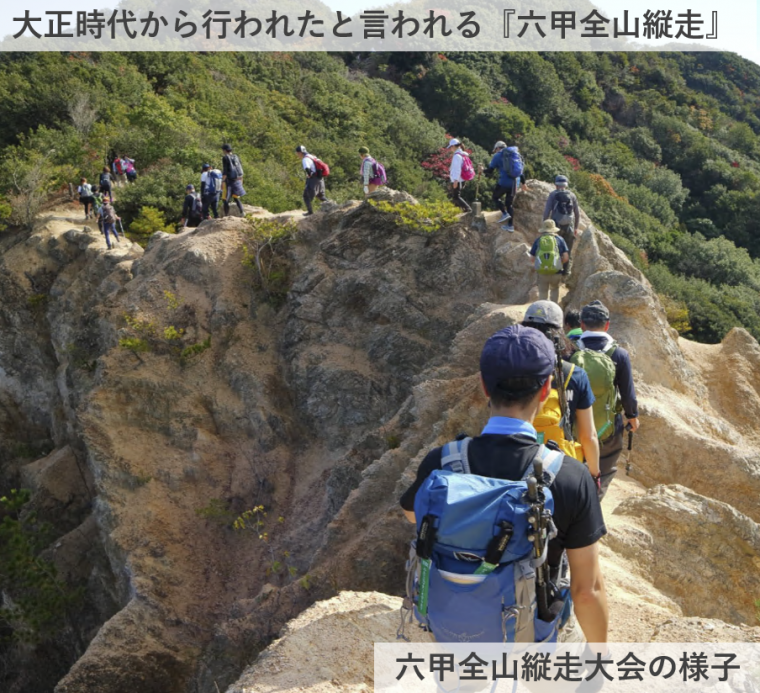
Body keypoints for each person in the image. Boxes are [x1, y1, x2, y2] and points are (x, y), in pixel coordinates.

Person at [400, 324, 608, 646]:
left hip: (453, 634)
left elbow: (411, 513)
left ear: (484, 386)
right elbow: (587, 591)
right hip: (531, 636)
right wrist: (601, 655)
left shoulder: (442, 462)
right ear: (546, 389)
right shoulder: (570, 477)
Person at [522, 301, 601, 482]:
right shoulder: (575, 374)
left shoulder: (511, 370)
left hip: (518, 461)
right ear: (560, 331)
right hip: (560, 464)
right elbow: (588, 436)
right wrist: (594, 474)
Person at [573, 300, 640, 500]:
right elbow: (627, 391)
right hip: (608, 426)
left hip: (574, 426)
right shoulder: (619, 354)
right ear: (607, 325)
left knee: (574, 468)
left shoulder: (572, 351)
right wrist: (632, 416)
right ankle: (592, 507)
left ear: (582, 324)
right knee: (605, 469)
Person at [482, 141, 527, 231]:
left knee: (495, 197)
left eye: (495, 150)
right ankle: (510, 226)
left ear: (498, 148)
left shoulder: (498, 156)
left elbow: (490, 171)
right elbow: (520, 171)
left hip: (504, 182)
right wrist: (523, 183)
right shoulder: (515, 155)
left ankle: (504, 213)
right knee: (509, 204)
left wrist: (482, 170)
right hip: (515, 182)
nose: (495, 152)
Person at [543, 175, 582, 276]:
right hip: (569, 226)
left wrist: (545, 226)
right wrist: (576, 228)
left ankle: (554, 269)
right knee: (567, 249)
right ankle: (566, 272)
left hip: (556, 226)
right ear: (566, 185)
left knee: (554, 248)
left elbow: (547, 211)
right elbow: (577, 213)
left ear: (556, 185)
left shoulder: (553, 195)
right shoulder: (572, 195)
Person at [530, 220, 570, 303]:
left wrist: (540, 265)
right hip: (556, 272)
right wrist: (559, 263)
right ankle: (553, 310)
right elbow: (566, 257)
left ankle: (542, 313)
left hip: (542, 272)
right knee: (554, 289)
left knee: (542, 293)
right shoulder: (560, 239)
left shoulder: (538, 240)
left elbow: (532, 259)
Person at [296, 145, 330, 216]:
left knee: (306, 196)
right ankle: (332, 207)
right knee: (321, 195)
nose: (297, 154)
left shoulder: (305, 159)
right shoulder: (312, 156)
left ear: (300, 152)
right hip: (320, 178)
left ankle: (310, 212)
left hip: (313, 179)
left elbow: (307, 169)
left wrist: (309, 175)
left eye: (297, 153)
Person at [445, 138, 472, 213]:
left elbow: (457, 169)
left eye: (450, 147)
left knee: (456, 197)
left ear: (453, 146)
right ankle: (460, 211)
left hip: (457, 180)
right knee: (455, 197)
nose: (450, 149)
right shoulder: (462, 154)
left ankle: (468, 209)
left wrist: (455, 181)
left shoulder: (457, 156)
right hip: (461, 179)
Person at [221, 144, 246, 216]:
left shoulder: (225, 158)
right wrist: (241, 179)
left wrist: (223, 182)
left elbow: (225, 171)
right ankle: (242, 212)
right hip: (237, 180)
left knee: (225, 199)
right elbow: (240, 168)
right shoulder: (236, 157)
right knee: (236, 197)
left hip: (228, 181)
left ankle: (226, 216)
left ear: (225, 150)